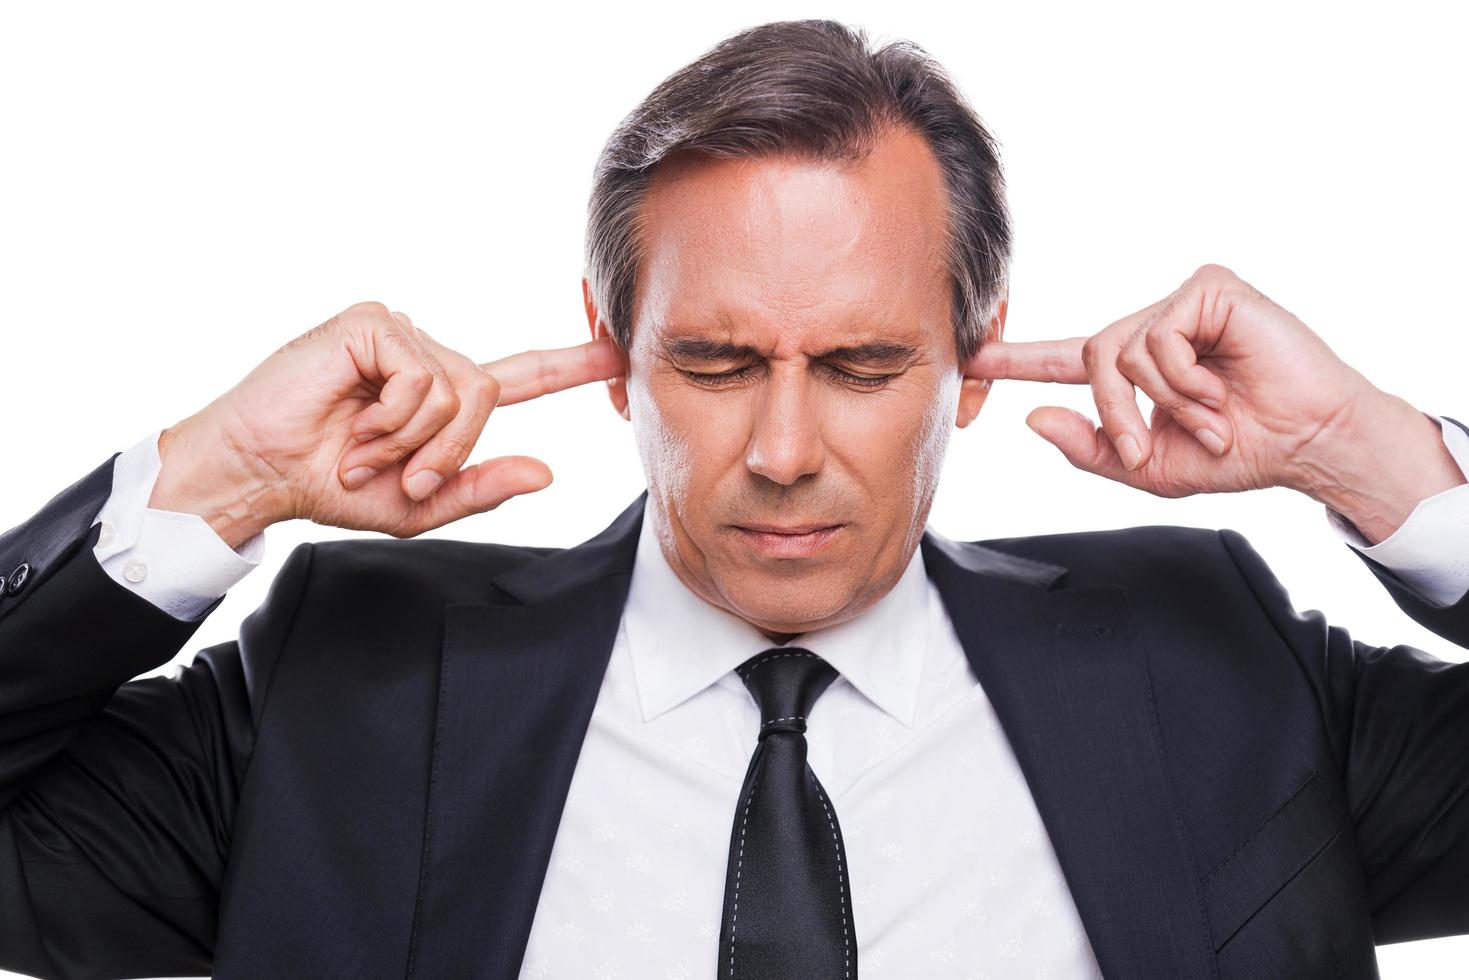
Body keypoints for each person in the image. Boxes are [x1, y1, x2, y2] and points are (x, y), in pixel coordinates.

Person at [3, 17, 1468, 980]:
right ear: (612, 350)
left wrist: (1374, 457)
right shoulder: (355, 682)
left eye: (860, 363)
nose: (780, 448)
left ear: (968, 361)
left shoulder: (1204, 656)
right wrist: (222, 479)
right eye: (710, 362)